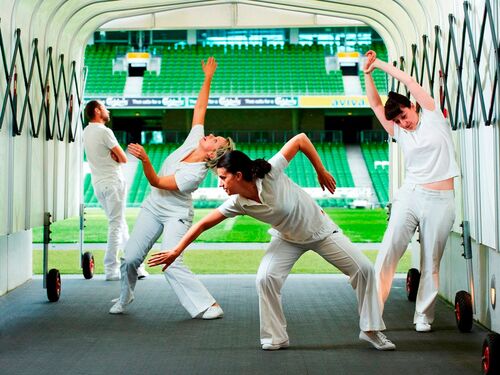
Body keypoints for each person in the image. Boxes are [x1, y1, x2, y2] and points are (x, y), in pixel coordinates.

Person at [148, 135, 396, 351]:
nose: (220, 184)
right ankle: (275, 337)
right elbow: (202, 225)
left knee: (364, 269)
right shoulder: (237, 203)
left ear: (239, 175)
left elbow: (300, 139)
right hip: (287, 239)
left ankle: (371, 329)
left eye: (223, 178)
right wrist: (176, 251)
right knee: (265, 278)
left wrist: (320, 170)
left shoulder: (271, 172)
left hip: (320, 231)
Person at [109, 57, 235, 319]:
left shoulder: (194, 175)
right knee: (131, 258)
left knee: (171, 260)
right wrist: (208, 76)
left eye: (215, 139)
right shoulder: (193, 141)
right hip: (154, 207)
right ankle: (125, 295)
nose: (210, 135)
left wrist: (145, 159)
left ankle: (208, 305)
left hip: (176, 214)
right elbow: (200, 108)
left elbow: (156, 181)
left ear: (213, 152)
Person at [363, 50, 459, 332]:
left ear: (412, 106)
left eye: (404, 115)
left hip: (441, 199)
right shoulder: (399, 131)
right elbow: (375, 106)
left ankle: (423, 316)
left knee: (431, 259)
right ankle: (372, 313)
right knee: (389, 249)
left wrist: (379, 64)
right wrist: (367, 75)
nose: (404, 123)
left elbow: (408, 79)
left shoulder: (431, 115)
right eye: (399, 121)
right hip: (411, 193)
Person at [83, 100, 148, 281]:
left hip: (99, 185)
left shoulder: (86, 132)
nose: (108, 110)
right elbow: (123, 158)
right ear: (97, 111)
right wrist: (115, 156)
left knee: (119, 223)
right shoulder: (104, 131)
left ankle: (136, 266)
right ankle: (111, 270)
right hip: (113, 183)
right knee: (116, 226)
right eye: (104, 107)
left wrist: (114, 155)